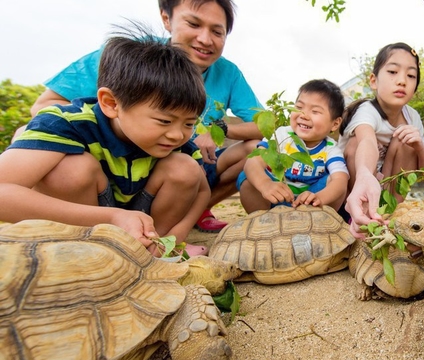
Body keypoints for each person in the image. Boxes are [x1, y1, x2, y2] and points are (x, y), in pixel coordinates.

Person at [18, 0, 263, 233]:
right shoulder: (127, 56)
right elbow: (45, 107)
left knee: (194, 166)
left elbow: (263, 124)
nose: (205, 39)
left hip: (173, 165)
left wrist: (215, 130)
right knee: (38, 143)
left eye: (217, 32)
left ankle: (162, 229)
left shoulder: (226, 74)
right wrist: (111, 131)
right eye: (194, 24)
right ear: (167, 18)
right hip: (103, 166)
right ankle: (89, 227)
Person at [0, 24, 210, 256]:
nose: (177, 135)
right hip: (87, 218)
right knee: (71, 169)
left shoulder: (178, 141)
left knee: (186, 168)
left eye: (189, 123)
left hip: (144, 219)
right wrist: (112, 217)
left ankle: (151, 247)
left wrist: (174, 238)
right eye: (164, 121)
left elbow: (202, 192)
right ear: (111, 103)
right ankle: (90, 247)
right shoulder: (66, 123)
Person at [338, 42, 424, 238]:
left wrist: (419, 148)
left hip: (387, 187)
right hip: (356, 189)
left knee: (407, 141)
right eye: (393, 72)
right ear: (373, 80)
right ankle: (360, 214)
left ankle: (389, 215)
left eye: (411, 75)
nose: (402, 81)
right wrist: (365, 175)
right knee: (355, 144)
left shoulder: (412, 117)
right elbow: (367, 142)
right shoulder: (367, 111)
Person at [238, 79, 349, 213]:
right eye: (299, 107)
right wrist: (265, 183)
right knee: (247, 177)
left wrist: (319, 198)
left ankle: (324, 223)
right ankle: (261, 222)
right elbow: (253, 162)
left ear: (335, 124)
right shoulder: (282, 135)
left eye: (315, 111)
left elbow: (340, 179)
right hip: (276, 199)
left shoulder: (331, 149)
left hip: (310, 206)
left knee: (336, 182)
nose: (303, 115)